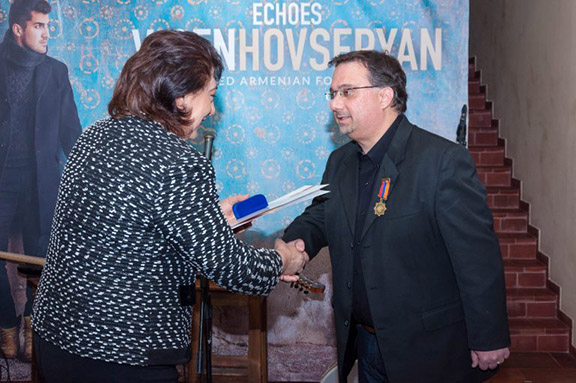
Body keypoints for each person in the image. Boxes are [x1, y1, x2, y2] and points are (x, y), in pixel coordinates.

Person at [31, 30, 308, 383]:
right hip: (122, 353)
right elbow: (232, 268)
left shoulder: (96, 134)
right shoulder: (178, 162)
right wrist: (283, 259)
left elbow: (129, 230)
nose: (211, 109)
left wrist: (211, 220)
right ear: (180, 98)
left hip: (57, 338)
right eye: (210, 96)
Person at [283, 50, 510, 383]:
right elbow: (321, 215)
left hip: (430, 351)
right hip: (365, 343)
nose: (334, 104)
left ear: (384, 96)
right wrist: (295, 245)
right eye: (332, 94)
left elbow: (477, 258)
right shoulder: (340, 162)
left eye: (346, 91)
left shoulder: (442, 162)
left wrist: (489, 336)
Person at [0, 0, 81, 362]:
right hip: (1, 178)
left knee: (41, 259)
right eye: (39, 26)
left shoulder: (56, 71)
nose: (48, 33)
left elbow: (71, 132)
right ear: (18, 29)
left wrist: (85, 176)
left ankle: (34, 325)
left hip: (41, 178)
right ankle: (5, 325)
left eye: (49, 26)